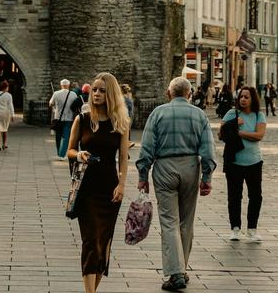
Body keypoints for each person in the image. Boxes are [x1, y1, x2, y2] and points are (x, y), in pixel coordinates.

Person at [136, 76, 216, 292]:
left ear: (168, 93)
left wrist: (143, 174)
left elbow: (147, 146)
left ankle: (176, 272)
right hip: (190, 166)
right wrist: (206, 177)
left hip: (164, 167)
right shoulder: (199, 115)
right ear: (190, 94)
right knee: (186, 222)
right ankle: (182, 268)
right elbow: (208, 149)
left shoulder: (158, 113)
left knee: (169, 221)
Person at [68, 73, 131, 293]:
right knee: (90, 241)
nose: (96, 94)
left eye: (102, 90)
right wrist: (78, 154)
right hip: (86, 187)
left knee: (103, 242)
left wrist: (122, 184)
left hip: (109, 188)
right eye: (94, 90)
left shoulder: (120, 123)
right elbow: (70, 150)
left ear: (111, 94)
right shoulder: (82, 119)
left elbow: (123, 158)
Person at [220, 86, 266, 242]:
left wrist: (239, 132)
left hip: (254, 162)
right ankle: (235, 228)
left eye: (246, 97)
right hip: (234, 162)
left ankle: (252, 229)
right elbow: (221, 133)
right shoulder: (231, 114)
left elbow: (259, 135)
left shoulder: (259, 115)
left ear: (253, 99)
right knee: (234, 196)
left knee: (256, 196)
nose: (243, 99)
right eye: (241, 96)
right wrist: (234, 123)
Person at [50, 79, 81, 159]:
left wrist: (55, 106)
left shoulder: (56, 93)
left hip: (58, 118)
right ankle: (62, 154)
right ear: (68, 85)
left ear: (61, 85)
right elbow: (75, 105)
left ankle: (59, 153)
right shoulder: (73, 94)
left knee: (58, 137)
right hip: (69, 118)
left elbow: (51, 103)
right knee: (66, 137)